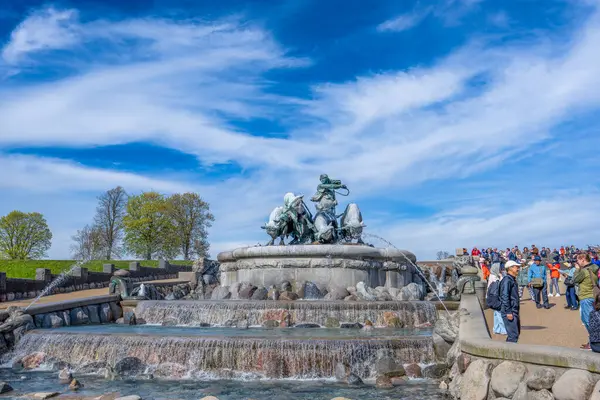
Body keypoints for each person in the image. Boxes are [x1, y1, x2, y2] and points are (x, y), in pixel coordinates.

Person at [573, 253, 599, 350]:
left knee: (587, 320)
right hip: (593, 296)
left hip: (586, 297)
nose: (577, 262)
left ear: (583, 259)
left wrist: (576, 269)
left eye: (578, 260)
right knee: (593, 319)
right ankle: (592, 341)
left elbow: (574, 280)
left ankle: (594, 342)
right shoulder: (594, 267)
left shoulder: (584, 271)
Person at [501, 260, 521, 343]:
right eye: (516, 267)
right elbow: (505, 297)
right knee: (513, 335)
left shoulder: (511, 279)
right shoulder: (507, 280)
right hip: (509, 310)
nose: (518, 269)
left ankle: (507, 353)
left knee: (514, 334)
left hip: (513, 309)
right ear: (510, 268)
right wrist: (509, 312)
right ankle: (508, 355)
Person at [487, 263, 507, 335]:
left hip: (493, 296)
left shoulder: (494, 275)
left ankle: (496, 329)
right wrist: (501, 276)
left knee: (496, 313)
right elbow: (500, 284)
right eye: (499, 268)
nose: (501, 269)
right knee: (500, 313)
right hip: (496, 296)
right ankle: (503, 329)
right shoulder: (494, 276)